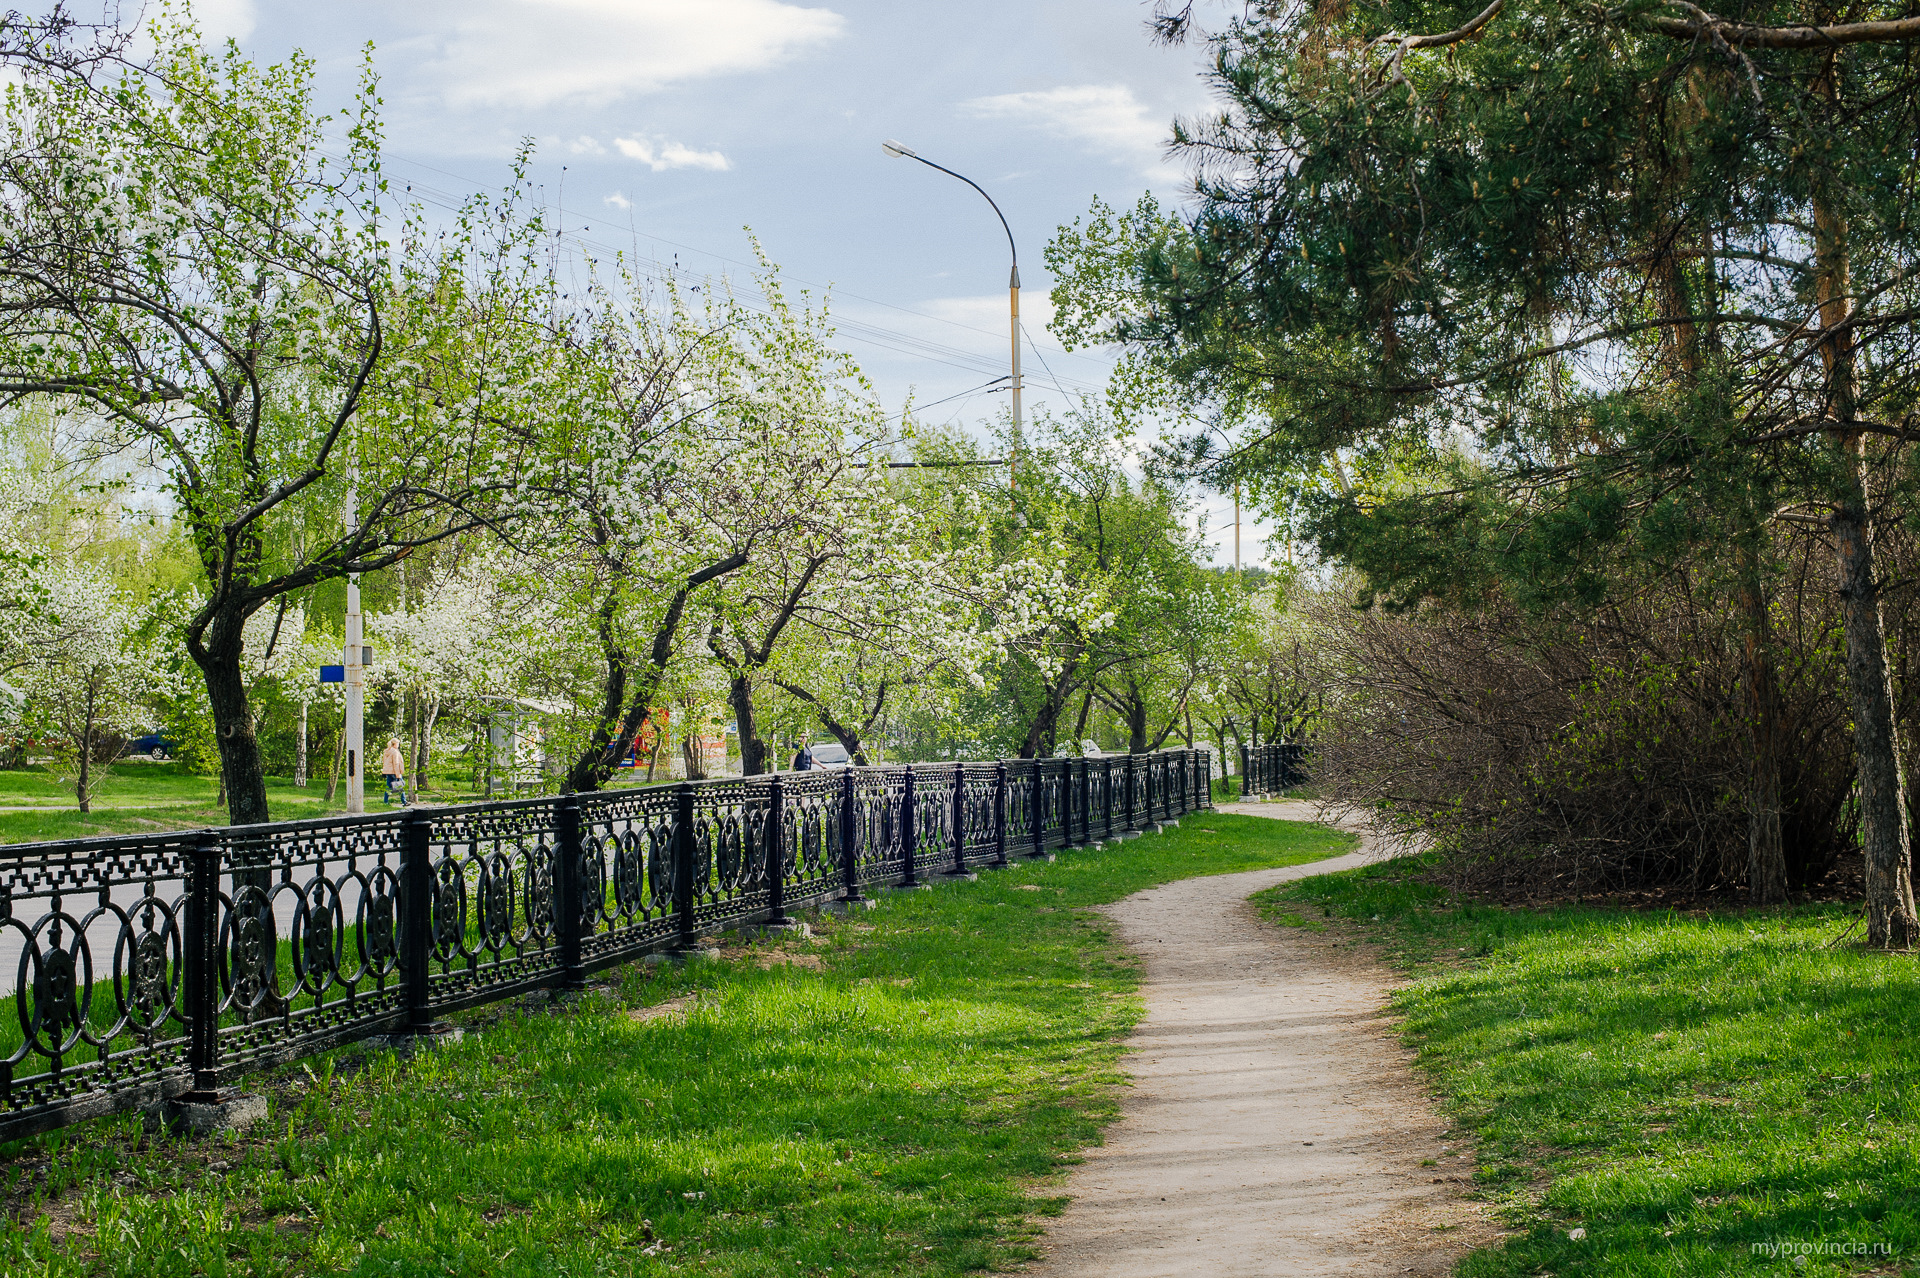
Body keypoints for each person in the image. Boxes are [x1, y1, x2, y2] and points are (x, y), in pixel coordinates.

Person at [380, 737, 405, 805]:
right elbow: (396, 763)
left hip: (388, 772)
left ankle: (385, 801)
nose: (398, 745)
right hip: (394, 771)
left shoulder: (387, 751)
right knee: (400, 785)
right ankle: (404, 801)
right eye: (398, 744)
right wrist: (398, 774)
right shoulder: (395, 752)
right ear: (395, 744)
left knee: (388, 787)